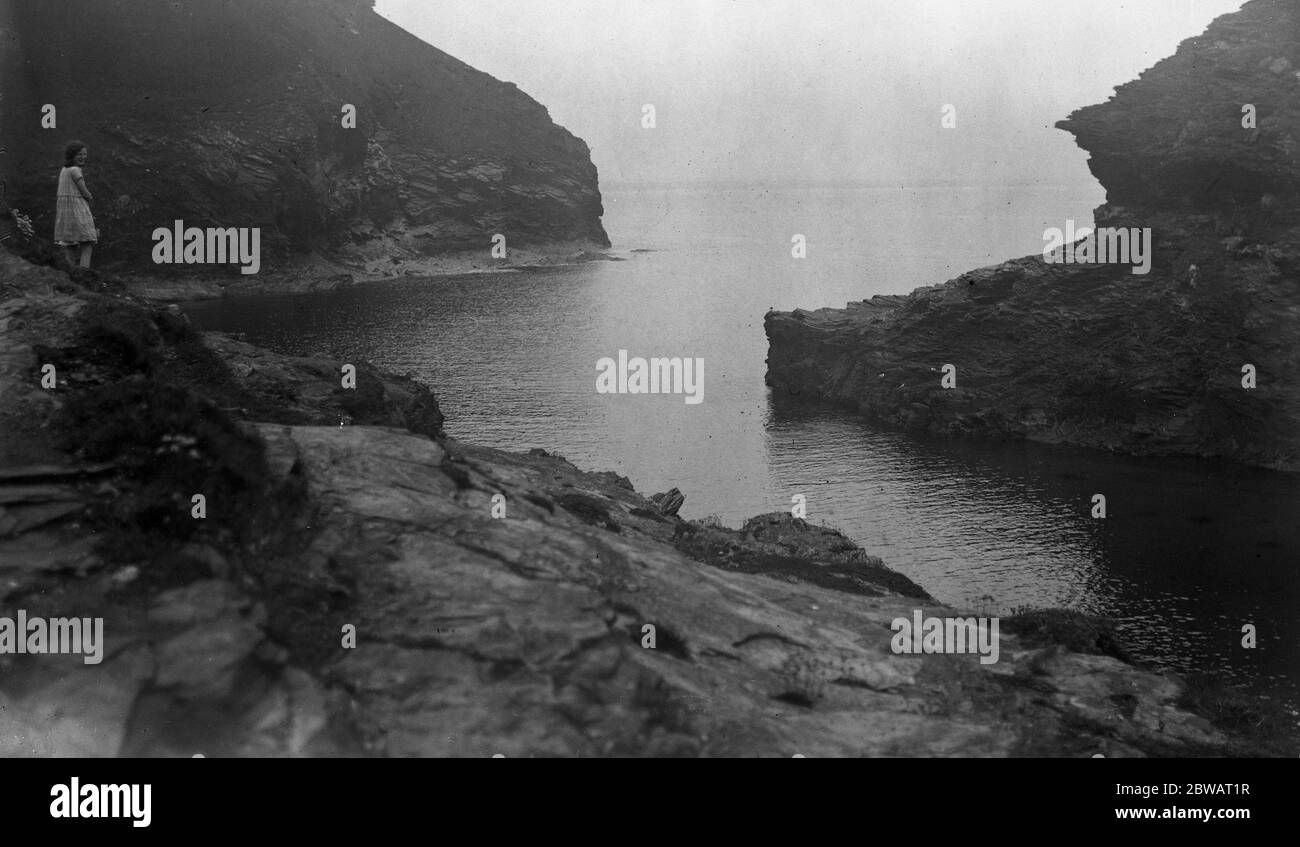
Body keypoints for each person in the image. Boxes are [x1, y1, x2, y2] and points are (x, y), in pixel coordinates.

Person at [54, 141, 96, 268]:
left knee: (69, 245)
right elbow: (83, 190)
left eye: (84, 154)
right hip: (77, 209)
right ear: (71, 155)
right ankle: (83, 274)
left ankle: (70, 275)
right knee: (87, 245)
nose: (83, 157)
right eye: (79, 154)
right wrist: (89, 196)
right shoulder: (75, 170)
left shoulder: (64, 170)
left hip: (65, 212)